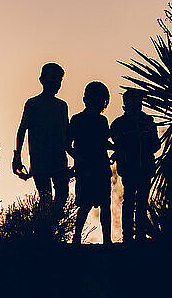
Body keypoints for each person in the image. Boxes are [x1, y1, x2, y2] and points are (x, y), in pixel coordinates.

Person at [13, 63, 70, 213]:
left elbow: (67, 134)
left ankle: (49, 228)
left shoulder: (62, 106)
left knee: (62, 196)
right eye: (52, 79)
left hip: (59, 160)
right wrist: (17, 156)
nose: (55, 83)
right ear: (42, 80)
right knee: (45, 198)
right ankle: (44, 231)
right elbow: (22, 130)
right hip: (40, 161)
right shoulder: (33, 104)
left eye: (59, 81)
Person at [110, 89, 160, 243]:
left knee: (142, 201)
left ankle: (139, 234)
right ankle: (127, 235)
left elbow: (155, 144)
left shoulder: (148, 122)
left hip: (144, 167)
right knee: (130, 200)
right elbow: (117, 144)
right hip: (129, 168)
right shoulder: (119, 124)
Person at [67, 81, 113, 245]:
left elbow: (104, 142)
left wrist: (116, 148)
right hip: (86, 168)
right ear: (87, 100)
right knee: (85, 205)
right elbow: (67, 144)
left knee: (104, 205)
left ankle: (107, 239)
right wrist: (78, 159)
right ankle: (77, 238)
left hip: (100, 167)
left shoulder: (102, 121)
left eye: (101, 101)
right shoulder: (77, 120)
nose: (99, 104)